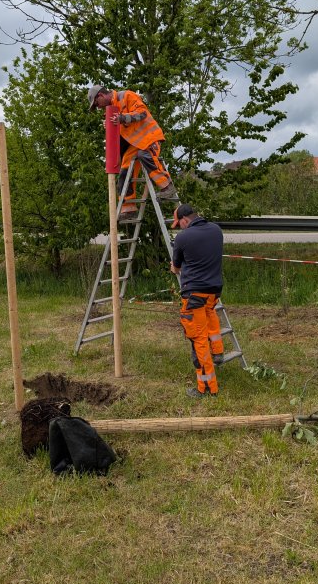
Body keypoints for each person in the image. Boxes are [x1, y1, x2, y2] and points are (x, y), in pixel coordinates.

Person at [88, 85, 177, 220]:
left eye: (96, 103)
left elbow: (142, 113)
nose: (98, 107)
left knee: (144, 155)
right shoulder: (111, 110)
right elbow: (123, 133)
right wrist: (111, 126)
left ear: (101, 95)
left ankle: (167, 187)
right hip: (136, 143)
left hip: (150, 138)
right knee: (125, 169)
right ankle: (128, 208)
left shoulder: (126, 96)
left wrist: (122, 118)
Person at [170, 203, 224, 398]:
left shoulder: (182, 238)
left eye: (179, 223)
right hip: (214, 291)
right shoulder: (216, 230)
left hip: (194, 294)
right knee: (211, 316)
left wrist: (175, 267)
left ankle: (207, 388)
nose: (179, 227)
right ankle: (218, 352)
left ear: (185, 220)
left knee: (199, 341)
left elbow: (176, 268)